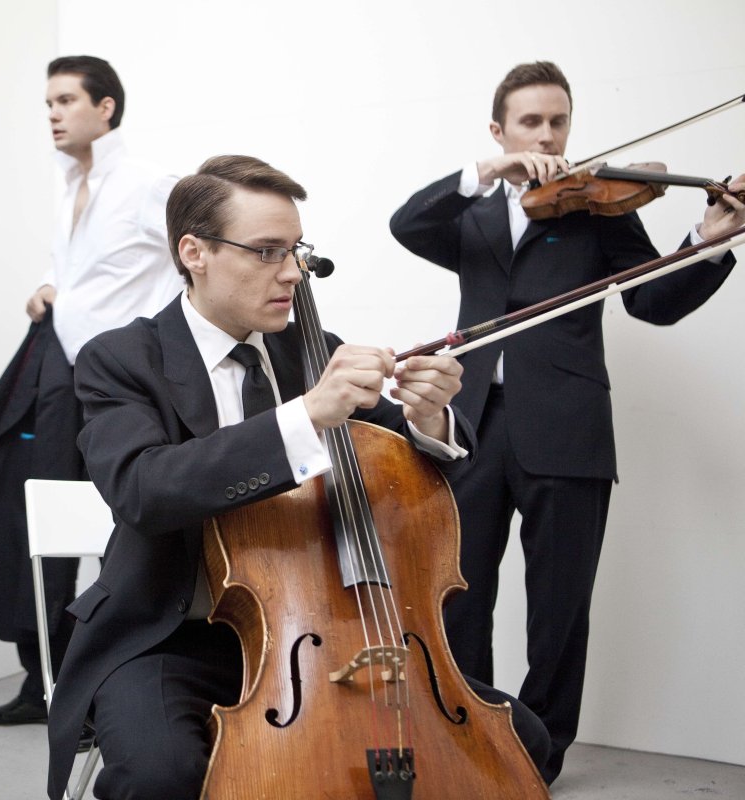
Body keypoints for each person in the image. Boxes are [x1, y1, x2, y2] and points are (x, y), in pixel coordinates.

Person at [45, 154, 549, 800]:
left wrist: (430, 417)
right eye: (266, 252)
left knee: (519, 743)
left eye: (295, 250)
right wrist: (304, 416)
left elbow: (405, 459)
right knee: (160, 776)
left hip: (323, 633)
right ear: (195, 253)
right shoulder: (120, 359)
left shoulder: (313, 349)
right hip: (168, 637)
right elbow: (144, 489)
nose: (291, 272)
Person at [388, 60, 745, 784]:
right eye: (531, 122)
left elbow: (652, 301)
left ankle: (538, 752)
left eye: (558, 121)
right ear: (499, 130)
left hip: (569, 426)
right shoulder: (470, 215)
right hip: (469, 428)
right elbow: (406, 223)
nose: (547, 135)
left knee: (559, 607)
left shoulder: (597, 207)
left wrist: (707, 240)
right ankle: (464, 733)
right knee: (459, 595)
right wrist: (488, 172)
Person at [0, 55, 182, 729]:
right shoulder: (71, 186)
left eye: (66, 100)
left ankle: (120, 688)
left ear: (106, 107)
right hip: (56, 367)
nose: (52, 113)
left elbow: (197, 258)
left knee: (123, 527)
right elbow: (86, 273)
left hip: (120, 382)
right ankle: (42, 680)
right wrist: (53, 287)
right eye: (48, 102)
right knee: (27, 503)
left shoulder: (148, 185)